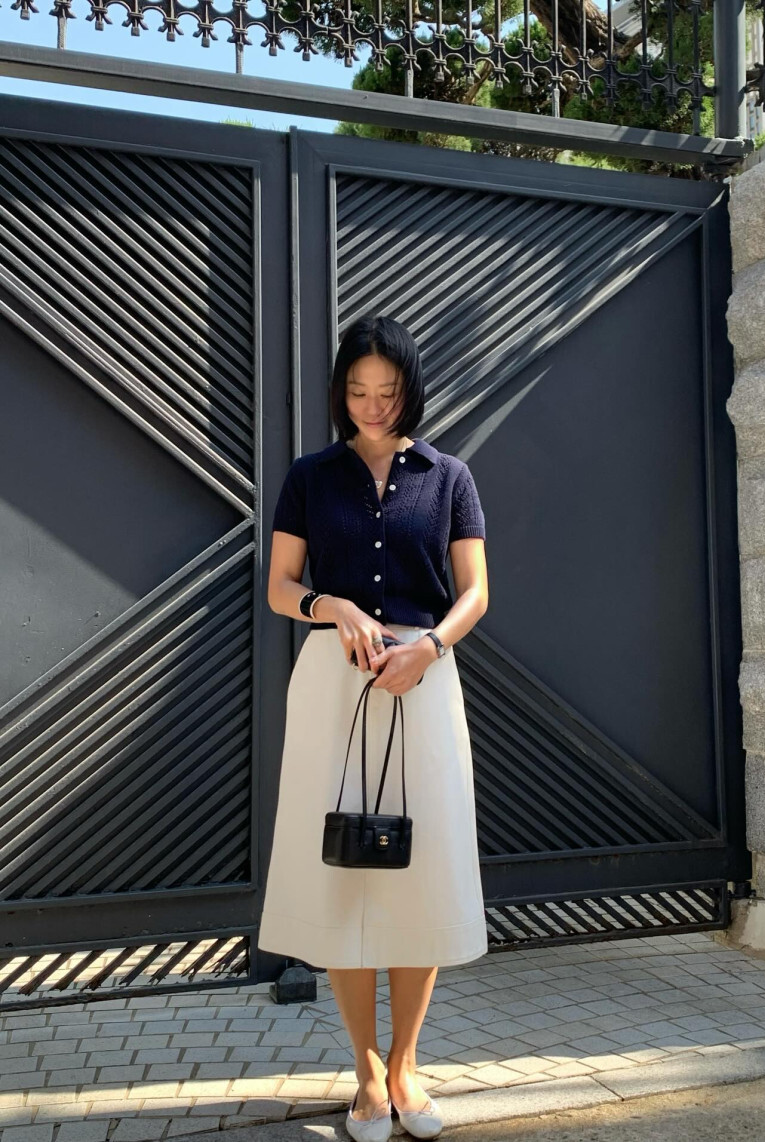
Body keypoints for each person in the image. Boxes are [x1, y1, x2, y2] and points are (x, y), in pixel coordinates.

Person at [258, 314, 490, 1142]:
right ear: (340, 392)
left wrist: (429, 645)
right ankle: (363, 1073)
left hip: (424, 684)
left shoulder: (450, 477)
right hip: (335, 686)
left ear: (410, 389)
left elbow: (475, 592)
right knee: (344, 873)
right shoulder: (311, 477)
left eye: (387, 392)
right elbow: (281, 586)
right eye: (357, 391)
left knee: (418, 873)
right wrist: (334, 606)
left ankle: (405, 1066)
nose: (372, 405)